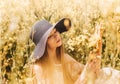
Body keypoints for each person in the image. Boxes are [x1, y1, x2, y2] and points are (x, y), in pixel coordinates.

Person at [27, 18, 120, 84]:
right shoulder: (39, 68)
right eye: (50, 36)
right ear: (44, 44)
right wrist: (84, 75)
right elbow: (84, 77)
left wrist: (97, 49)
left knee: (108, 74)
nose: (56, 36)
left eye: (55, 31)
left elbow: (94, 75)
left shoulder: (64, 59)